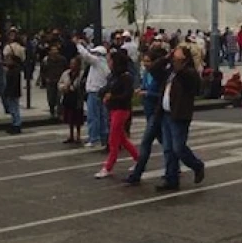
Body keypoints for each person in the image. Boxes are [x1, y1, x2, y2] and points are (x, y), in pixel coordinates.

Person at [158, 46, 205, 192]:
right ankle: (171, 179)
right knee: (168, 149)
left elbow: (190, 81)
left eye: (178, 54)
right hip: (166, 113)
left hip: (179, 115)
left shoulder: (189, 72)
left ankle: (197, 165)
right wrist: (166, 57)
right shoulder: (171, 71)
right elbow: (154, 68)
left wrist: (179, 62)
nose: (174, 56)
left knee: (178, 148)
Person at [124, 47, 169, 185]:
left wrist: (147, 94)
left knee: (146, 143)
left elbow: (162, 95)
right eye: (144, 61)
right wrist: (142, 90)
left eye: (148, 61)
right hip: (149, 112)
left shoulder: (160, 76)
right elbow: (146, 87)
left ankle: (137, 173)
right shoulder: (147, 74)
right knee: (166, 143)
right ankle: (173, 167)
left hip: (157, 112)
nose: (145, 63)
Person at [95, 51, 139, 179]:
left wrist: (111, 97)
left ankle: (108, 167)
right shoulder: (113, 76)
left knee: (113, 140)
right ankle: (138, 159)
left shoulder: (126, 77)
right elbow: (106, 88)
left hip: (121, 110)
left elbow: (127, 95)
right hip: (113, 109)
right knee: (122, 139)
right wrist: (102, 93)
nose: (108, 63)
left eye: (110, 61)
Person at [57, 58, 85, 144]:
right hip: (68, 97)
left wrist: (76, 87)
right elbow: (59, 83)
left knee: (78, 118)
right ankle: (71, 135)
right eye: (71, 63)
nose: (72, 65)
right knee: (70, 118)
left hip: (77, 98)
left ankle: (78, 136)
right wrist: (64, 87)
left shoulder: (81, 74)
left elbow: (83, 85)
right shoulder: (66, 73)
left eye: (74, 64)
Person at [3, 54, 23, 135]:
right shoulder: (11, 70)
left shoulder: (14, 70)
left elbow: (14, 83)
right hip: (11, 92)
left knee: (14, 109)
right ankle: (14, 123)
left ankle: (17, 125)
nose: (7, 61)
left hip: (13, 93)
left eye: (9, 60)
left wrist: (9, 92)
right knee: (12, 109)